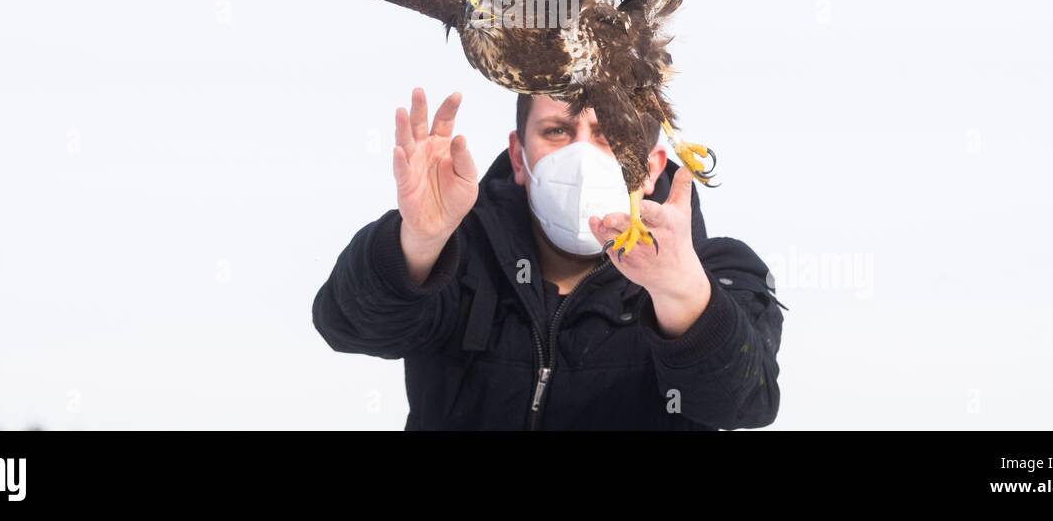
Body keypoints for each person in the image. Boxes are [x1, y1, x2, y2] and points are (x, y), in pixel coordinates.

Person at [312, 86, 786, 430]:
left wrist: (681, 294)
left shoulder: (717, 274)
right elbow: (347, 326)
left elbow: (744, 402)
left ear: (650, 166)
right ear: (519, 158)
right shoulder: (461, 255)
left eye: (608, 135)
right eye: (557, 131)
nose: (581, 155)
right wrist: (418, 241)